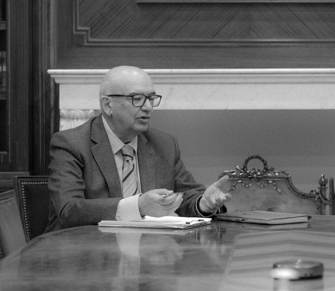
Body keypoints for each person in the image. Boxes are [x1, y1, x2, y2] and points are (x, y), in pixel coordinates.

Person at [46, 65, 229, 232]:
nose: (148, 107)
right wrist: (138, 206)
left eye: (151, 98)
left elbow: (186, 197)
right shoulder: (71, 144)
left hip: (148, 249)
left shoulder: (163, 144)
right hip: (84, 249)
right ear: (108, 105)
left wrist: (204, 203)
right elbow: (69, 210)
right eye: (137, 99)